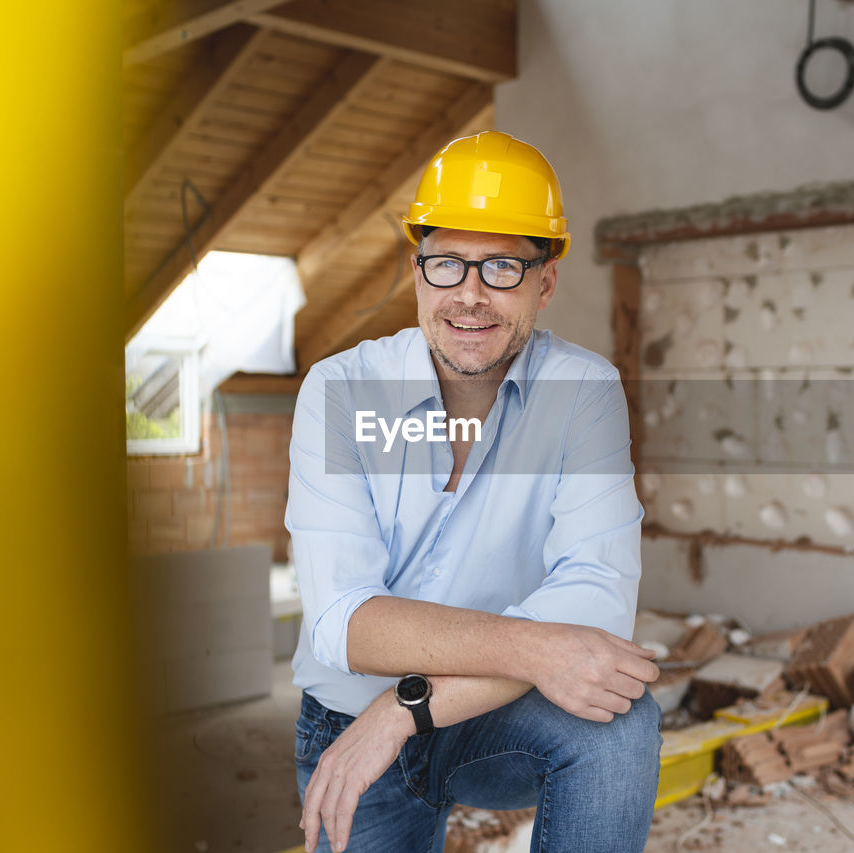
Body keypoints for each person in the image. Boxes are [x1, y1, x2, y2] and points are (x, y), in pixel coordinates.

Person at [285, 131, 661, 853]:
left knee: (621, 719)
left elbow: (596, 600)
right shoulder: (340, 390)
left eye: (502, 267)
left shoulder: (583, 393)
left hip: (485, 714)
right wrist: (535, 648)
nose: (470, 294)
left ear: (545, 281)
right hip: (344, 721)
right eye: (448, 262)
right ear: (418, 270)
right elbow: (341, 618)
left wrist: (404, 709)